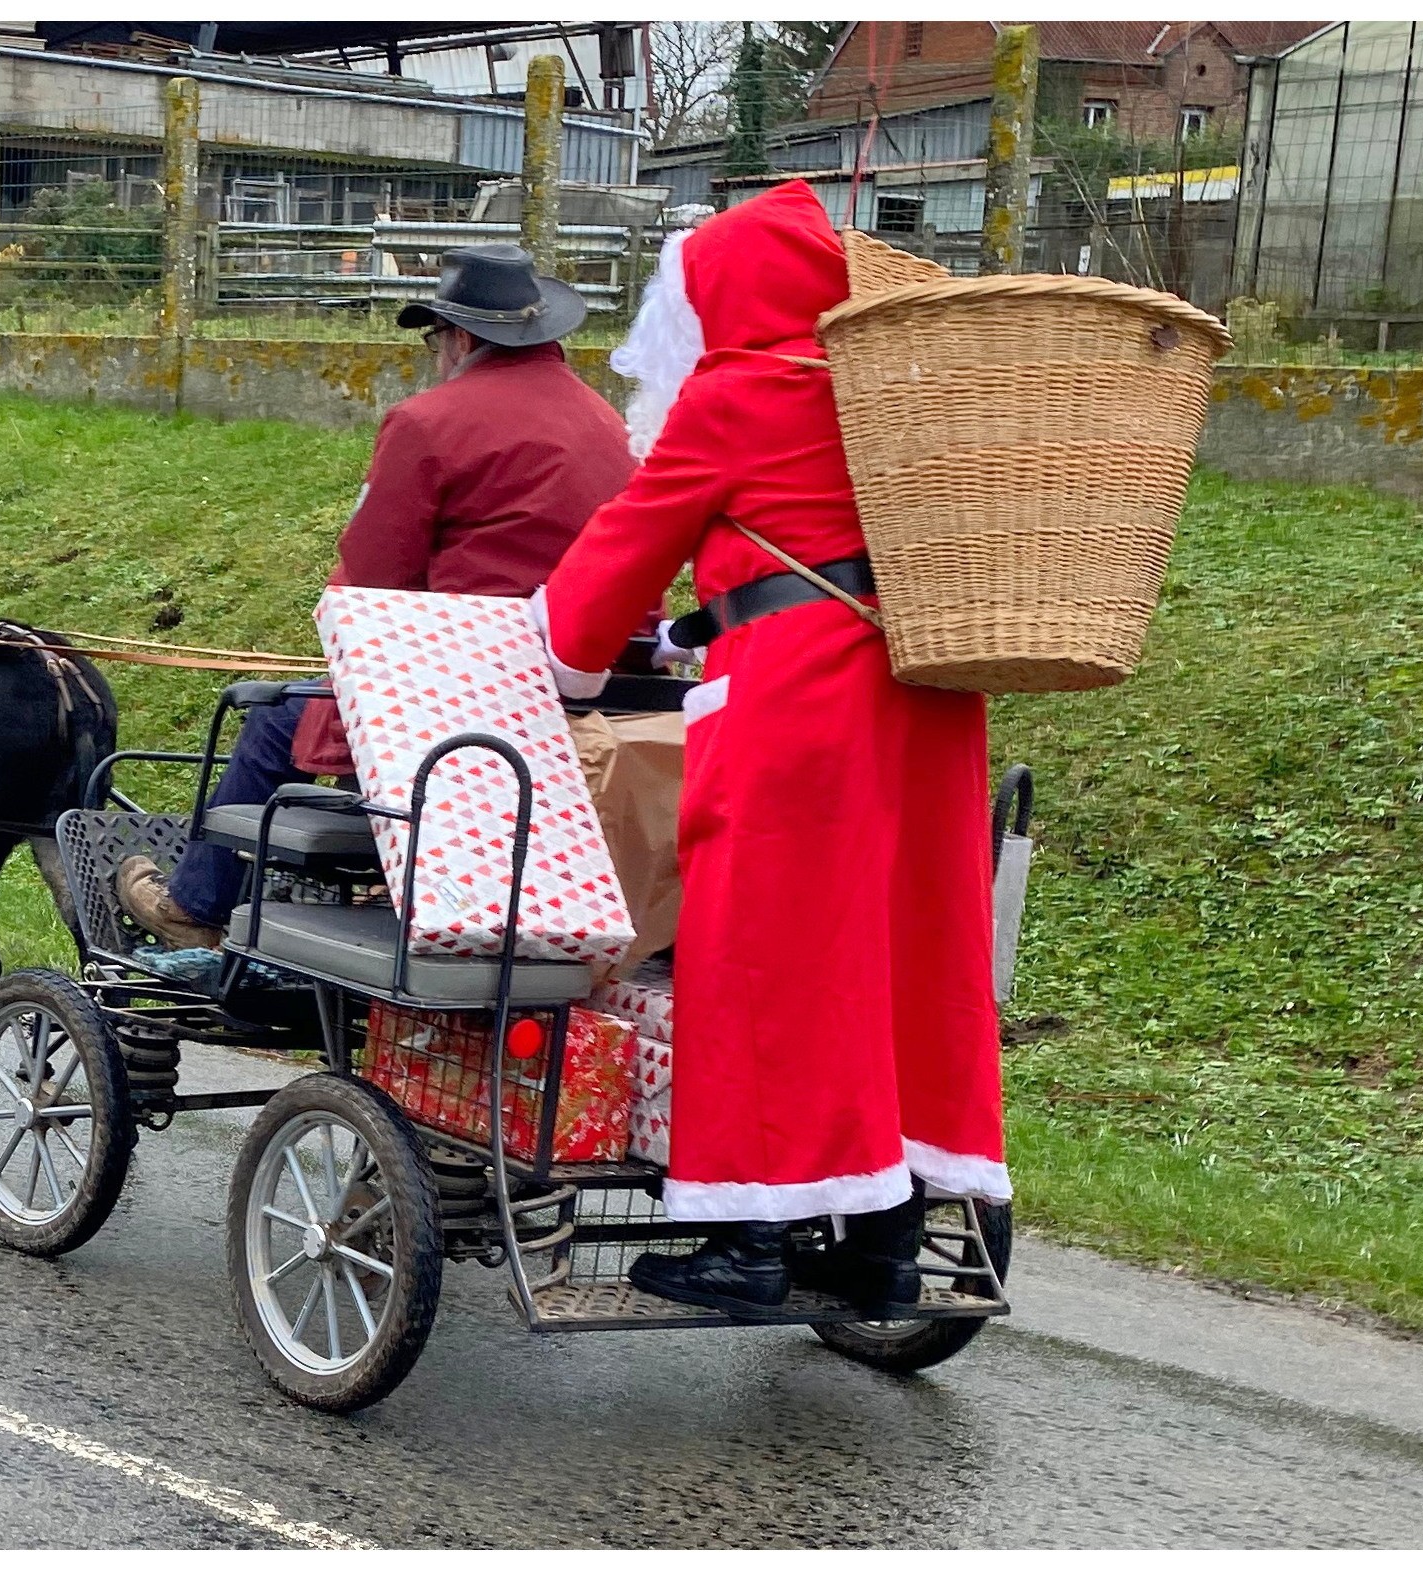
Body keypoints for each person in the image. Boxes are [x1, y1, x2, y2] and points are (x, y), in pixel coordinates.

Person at [536, 181, 1008, 1317]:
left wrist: (567, 657)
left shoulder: (736, 394)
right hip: (925, 696)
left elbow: (625, 545)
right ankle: (883, 1242)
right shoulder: (888, 386)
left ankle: (748, 1237)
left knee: (765, 956)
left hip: (801, 698)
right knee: (897, 954)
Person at [118, 243, 637, 948]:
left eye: (432, 338)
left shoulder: (429, 422)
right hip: (591, 687)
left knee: (274, 721)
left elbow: (371, 577)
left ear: (457, 336)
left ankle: (196, 909)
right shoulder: (606, 423)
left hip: (474, 695)